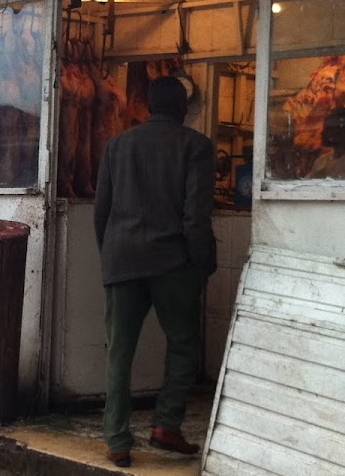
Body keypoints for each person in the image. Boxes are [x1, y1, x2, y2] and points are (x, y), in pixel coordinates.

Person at [94, 76, 217, 467]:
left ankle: (117, 440)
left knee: (120, 352)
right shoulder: (197, 147)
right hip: (172, 260)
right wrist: (203, 263)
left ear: (146, 108)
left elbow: (102, 211)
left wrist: (111, 254)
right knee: (183, 345)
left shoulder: (117, 146)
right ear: (183, 109)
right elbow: (195, 215)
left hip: (122, 257)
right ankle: (167, 425)